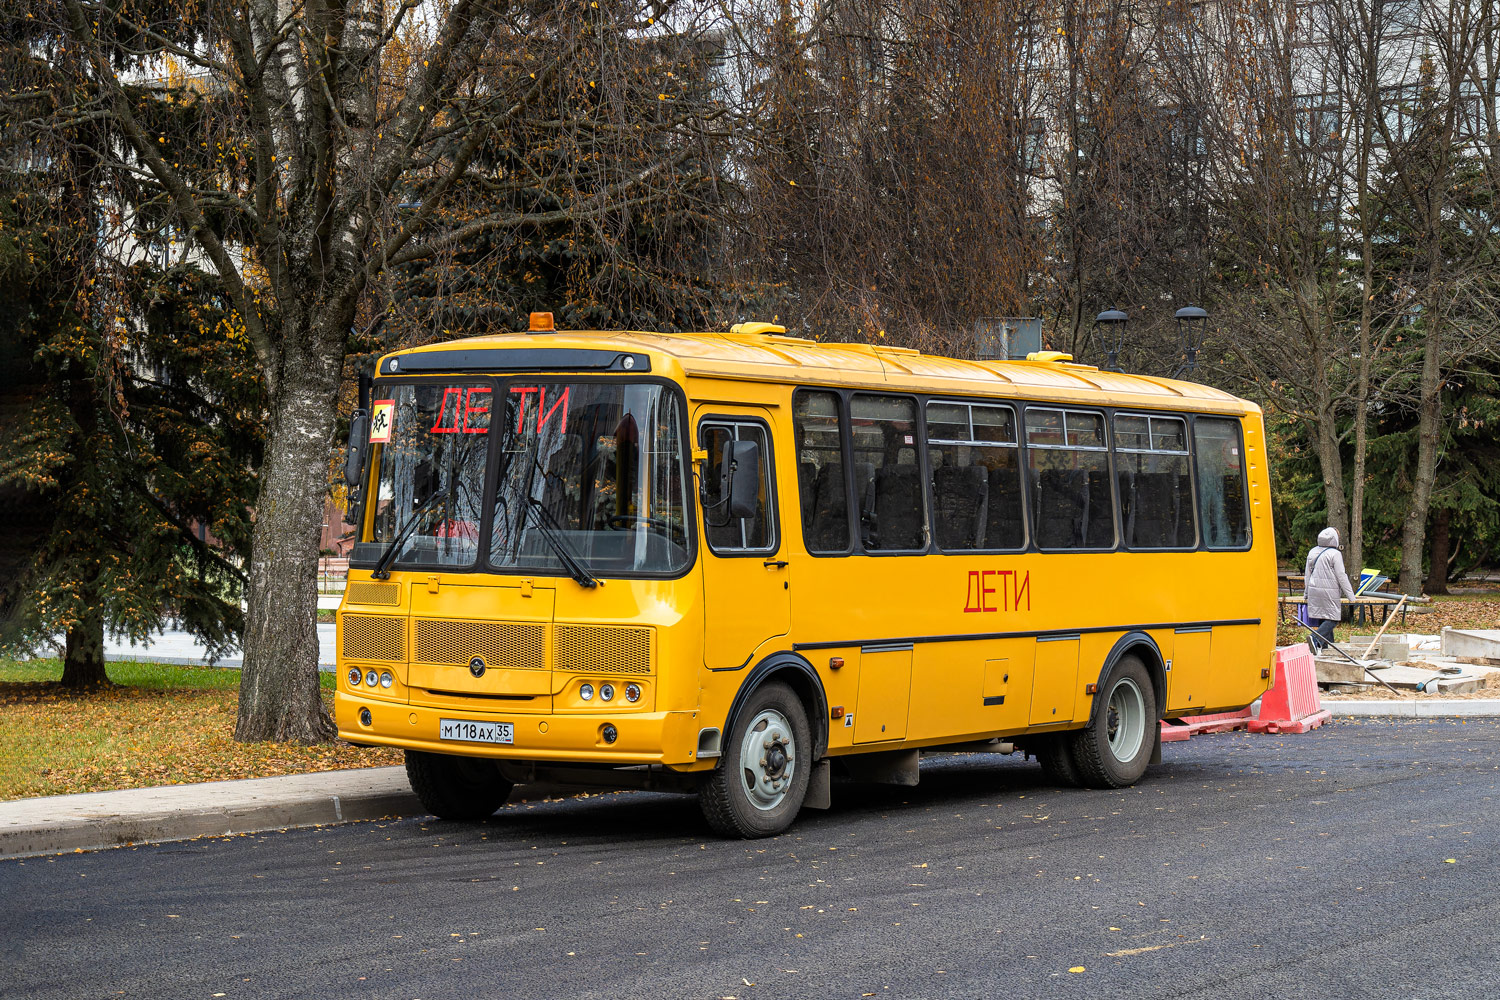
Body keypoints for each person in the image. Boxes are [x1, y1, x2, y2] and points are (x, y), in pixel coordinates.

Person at [1304, 527, 1355, 651]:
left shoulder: (1312, 551)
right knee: (1333, 619)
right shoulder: (1335, 554)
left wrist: (1306, 593)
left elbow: (1307, 574)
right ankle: (1314, 638)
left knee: (1323, 617)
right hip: (1329, 591)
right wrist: (1351, 596)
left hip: (1314, 589)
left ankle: (1327, 648)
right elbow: (1341, 576)